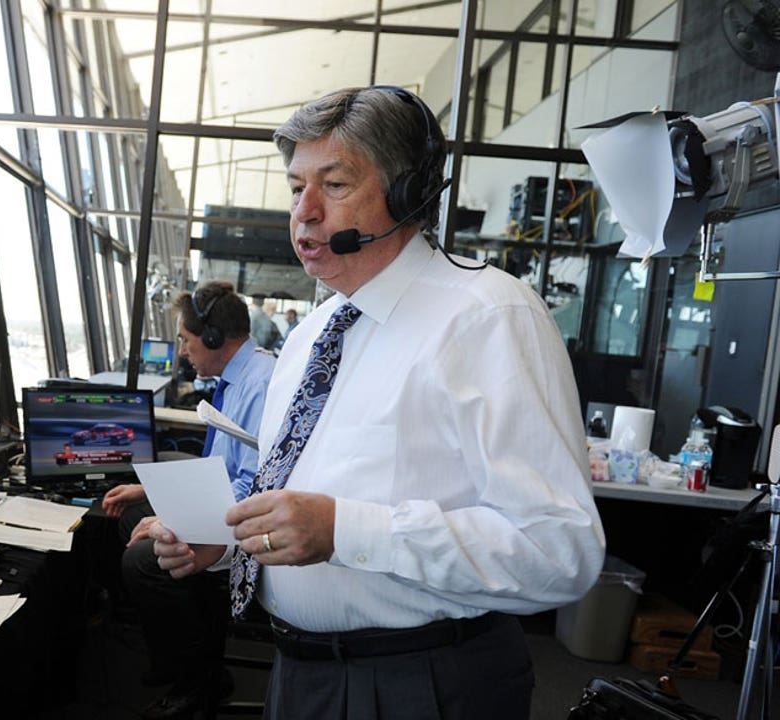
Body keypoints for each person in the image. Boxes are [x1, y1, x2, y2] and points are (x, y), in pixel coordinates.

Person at [147, 86, 605, 719]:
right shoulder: (311, 336)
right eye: (294, 187)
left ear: (407, 193)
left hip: (421, 683)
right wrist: (223, 546)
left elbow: (561, 552)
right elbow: (302, 499)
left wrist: (347, 530)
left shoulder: (488, 316)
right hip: (300, 675)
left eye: (333, 185)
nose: (303, 213)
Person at [102, 280, 274, 719]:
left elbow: (254, 484)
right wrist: (152, 493)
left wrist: (171, 517)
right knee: (129, 519)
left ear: (214, 338)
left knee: (141, 560)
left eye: (185, 339)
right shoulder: (237, 377)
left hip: (248, 521)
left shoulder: (259, 386)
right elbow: (220, 464)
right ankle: (173, 656)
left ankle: (198, 682)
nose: (181, 350)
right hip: (229, 499)